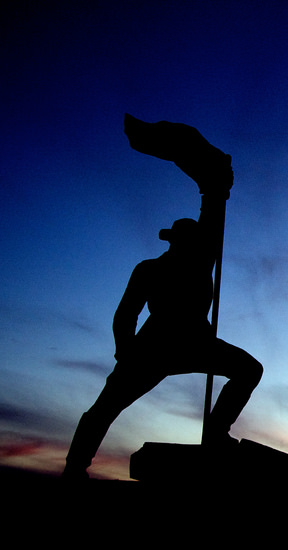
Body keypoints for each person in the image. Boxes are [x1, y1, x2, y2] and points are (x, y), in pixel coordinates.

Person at [62, 134, 261, 480]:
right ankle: (75, 467)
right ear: (174, 242)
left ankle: (215, 433)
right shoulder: (150, 269)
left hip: (194, 343)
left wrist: (215, 190)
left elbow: (212, 217)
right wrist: (124, 349)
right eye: (187, 241)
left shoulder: (201, 260)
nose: (193, 245)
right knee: (104, 409)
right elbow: (126, 313)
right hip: (151, 347)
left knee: (248, 370)